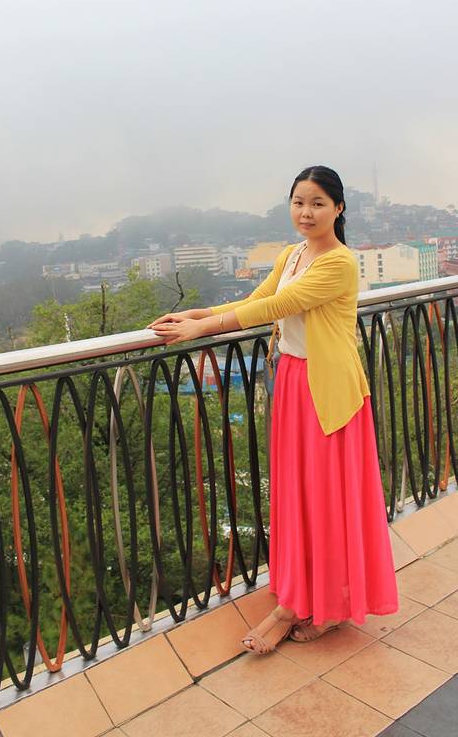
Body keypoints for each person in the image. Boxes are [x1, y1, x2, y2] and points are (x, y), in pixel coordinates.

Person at [149, 165, 399, 654]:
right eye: (299, 202)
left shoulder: (339, 263)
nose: (306, 212)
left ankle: (325, 607)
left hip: (329, 393)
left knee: (325, 502)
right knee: (298, 497)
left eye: (318, 203)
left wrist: (203, 330)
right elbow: (258, 298)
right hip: (292, 382)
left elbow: (276, 308)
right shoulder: (292, 254)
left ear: (339, 209)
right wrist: (196, 315)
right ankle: (297, 598)